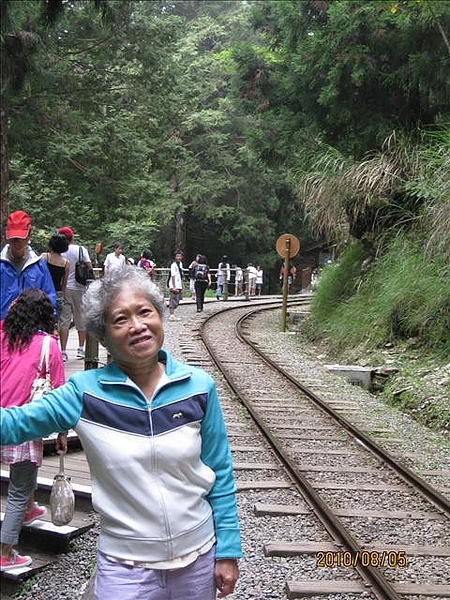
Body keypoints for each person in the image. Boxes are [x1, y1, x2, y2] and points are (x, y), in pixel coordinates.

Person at [0, 269, 242, 597]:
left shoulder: (198, 388)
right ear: (104, 334)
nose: (137, 325)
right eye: (120, 319)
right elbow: (15, 423)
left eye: (145, 312)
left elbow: (220, 472)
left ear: (159, 316)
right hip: (125, 567)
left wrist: (227, 551)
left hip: (197, 561)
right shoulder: (84, 394)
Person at [0, 289, 67, 571]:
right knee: (17, 489)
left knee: (22, 483)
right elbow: (62, 394)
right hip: (26, 422)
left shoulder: (3, 337)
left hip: (2, 416)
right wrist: (63, 431)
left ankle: (29, 508)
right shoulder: (48, 345)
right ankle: (4, 553)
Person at [0, 210, 56, 320]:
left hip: (32, 328)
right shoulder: (1, 265)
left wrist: (50, 321)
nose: (16, 241)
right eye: (13, 237)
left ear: (30, 234)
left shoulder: (39, 266)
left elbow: (49, 298)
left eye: (20, 237)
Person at [58, 226, 93, 362]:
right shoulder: (80, 249)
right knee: (80, 318)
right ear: (72, 237)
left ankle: (63, 351)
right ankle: (80, 349)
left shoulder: (59, 251)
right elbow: (89, 266)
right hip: (79, 288)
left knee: (64, 321)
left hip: (64, 288)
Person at [41, 233, 70, 319]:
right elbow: (64, 284)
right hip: (57, 295)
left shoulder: (44, 257)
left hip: (43, 293)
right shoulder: (66, 263)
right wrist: (64, 298)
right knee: (55, 323)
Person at [168, 250, 184, 322]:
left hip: (179, 284)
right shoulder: (173, 265)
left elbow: (180, 274)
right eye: (177, 256)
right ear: (175, 257)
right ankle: (171, 315)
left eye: (180, 256)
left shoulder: (180, 264)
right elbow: (173, 275)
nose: (179, 257)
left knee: (177, 300)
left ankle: (172, 314)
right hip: (174, 285)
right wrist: (174, 287)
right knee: (173, 299)